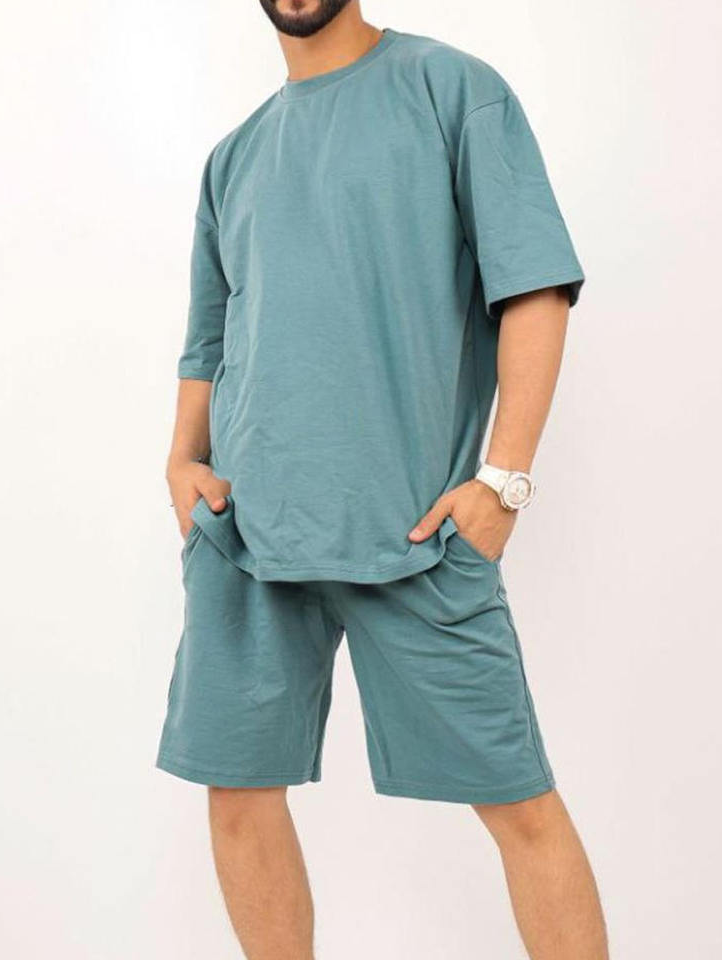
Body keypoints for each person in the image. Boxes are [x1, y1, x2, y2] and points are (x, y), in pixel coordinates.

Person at [159, 2, 608, 957]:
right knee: (237, 798)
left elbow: (533, 287)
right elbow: (208, 337)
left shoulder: (453, 91)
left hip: (417, 537)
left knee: (519, 803)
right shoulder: (233, 157)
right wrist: (181, 459)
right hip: (247, 536)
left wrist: (504, 481)